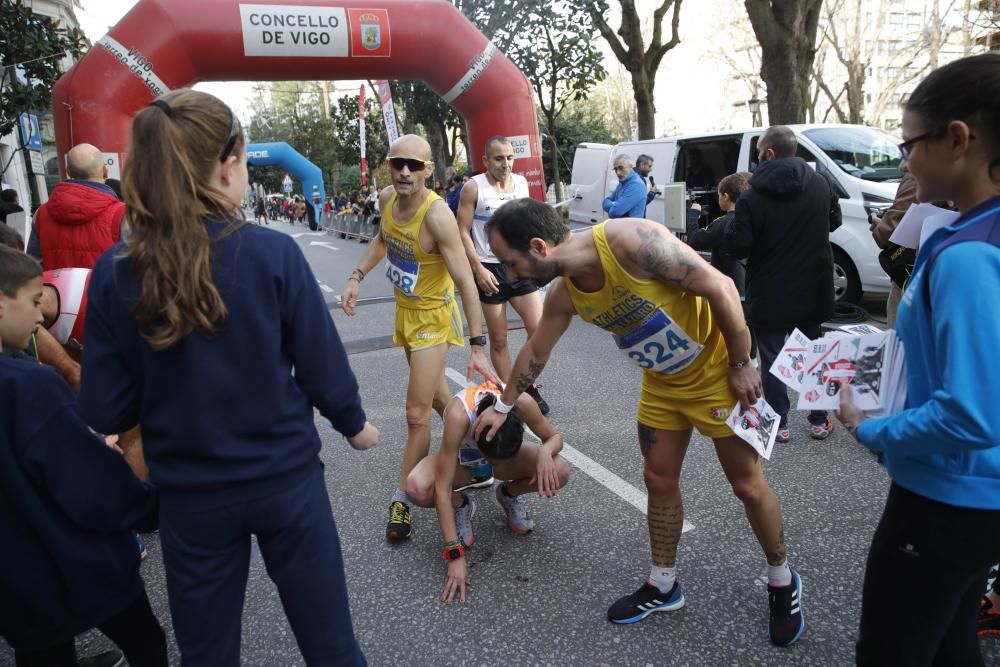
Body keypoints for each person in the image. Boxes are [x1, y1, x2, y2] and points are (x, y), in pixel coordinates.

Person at [78, 89, 378, 666]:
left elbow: (105, 409)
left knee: (207, 652)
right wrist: (353, 422)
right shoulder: (271, 253)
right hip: (286, 481)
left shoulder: (117, 272)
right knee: (331, 644)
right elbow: (320, 363)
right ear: (228, 164)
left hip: (190, 498)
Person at [475, 199, 804, 646]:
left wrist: (743, 362)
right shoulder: (566, 293)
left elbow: (722, 287)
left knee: (746, 484)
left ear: (539, 245)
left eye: (513, 264)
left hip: (716, 376)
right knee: (658, 480)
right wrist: (505, 405)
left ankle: (782, 579)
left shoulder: (631, 243)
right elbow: (536, 350)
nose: (512, 277)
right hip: (663, 385)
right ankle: (664, 584)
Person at [835, 53, 1000, 667]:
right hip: (977, 495)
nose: (904, 162)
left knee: (892, 651)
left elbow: (972, 414)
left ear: (957, 139)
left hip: (947, 497)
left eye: (909, 144)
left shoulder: (966, 254)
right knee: (953, 641)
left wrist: (872, 428)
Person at [0, 246, 168, 667]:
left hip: (14, 582)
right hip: (81, 560)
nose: (41, 318)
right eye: (34, 302)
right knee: (146, 643)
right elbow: (88, 482)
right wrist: (147, 505)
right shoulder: (29, 386)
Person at [340, 133, 498, 541]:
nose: (405, 171)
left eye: (414, 164)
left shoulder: (436, 216)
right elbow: (382, 238)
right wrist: (357, 276)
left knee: (416, 413)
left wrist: (478, 345)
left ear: (429, 169)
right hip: (407, 314)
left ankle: (402, 500)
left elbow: (465, 279)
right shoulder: (387, 200)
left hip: (433, 319)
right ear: (389, 166)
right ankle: (478, 446)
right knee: (440, 397)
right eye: (398, 164)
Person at [404, 381, 569, 603]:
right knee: (416, 488)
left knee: (559, 471)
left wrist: (546, 452)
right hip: (465, 464)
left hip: (504, 463)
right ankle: (462, 503)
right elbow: (441, 489)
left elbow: (555, 437)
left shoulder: (522, 402)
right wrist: (454, 554)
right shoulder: (458, 415)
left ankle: (508, 493)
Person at [728, 125, 842, 443]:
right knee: (813, 351)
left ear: (769, 153)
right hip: (814, 282)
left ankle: (779, 422)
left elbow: (741, 247)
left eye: (758, 151)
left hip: (770, 286)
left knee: (773, 356)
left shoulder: (750, 197)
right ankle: (819, 420)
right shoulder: (820, 184)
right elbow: (835, 221)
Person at [457, 135, 548, 414]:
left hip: (519, 265)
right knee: (499, 339)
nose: (506, 163)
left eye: (509, 157)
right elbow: (462, 230)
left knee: (540, 330)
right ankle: (514, 395)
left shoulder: (521, 183)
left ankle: (526, 384)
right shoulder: (474, 188)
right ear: (485, 160)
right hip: (489, 268)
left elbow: (528, 223)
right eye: (499, 158)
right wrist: (478, 268)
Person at [686, 172, 753, 357]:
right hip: (754, 289)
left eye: (719, 195)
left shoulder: (724, 223)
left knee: (730, 336)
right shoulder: (758, 219)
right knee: (750, 334)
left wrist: (693, 214)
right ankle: (752, 363)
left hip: (731, 292)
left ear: (725, 196)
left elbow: (695, 239)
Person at [35, 143, 125, 270]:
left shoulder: (41, 214)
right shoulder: (121, 213)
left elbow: (32, 263)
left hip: (57, 289)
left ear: (68, 171)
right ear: (105, 171)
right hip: (102, 289)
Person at [868, 173, 917, 327]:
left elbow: (887, 233)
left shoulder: (917, 178)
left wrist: (879, 225)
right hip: (922, 273)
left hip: (910, 273)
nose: (903, 166)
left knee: (897, 341)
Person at [603, 153, 647, 219]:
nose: (618, 172)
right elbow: (604, 203)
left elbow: (615, 212)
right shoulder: (623, 182)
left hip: (630, 228)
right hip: (621, 227)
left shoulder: (636, 185)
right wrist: (615, 205)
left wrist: (614, 204)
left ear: (631, 166)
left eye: (621, 168)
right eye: (615, 169)